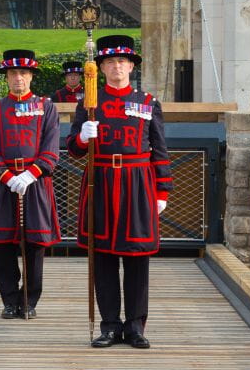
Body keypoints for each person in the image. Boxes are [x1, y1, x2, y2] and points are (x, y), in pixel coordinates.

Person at [66, 35, 172, 349]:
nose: (117, 67)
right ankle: (110, 325)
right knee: (103, 258)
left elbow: (160, 149)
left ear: (131, 66)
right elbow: (72, 149)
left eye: (123, 62)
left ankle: (136, 325)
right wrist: (84, 138)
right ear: (101, 67)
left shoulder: (147, 101)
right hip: (101, 181)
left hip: (138, 182)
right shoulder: (89, 101)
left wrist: (162, 190)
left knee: (137, 257)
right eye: (111, 62)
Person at [0, 49, 61, 319]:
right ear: (6, 78)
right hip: (4, 183)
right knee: (2, 245)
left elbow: (51, 147)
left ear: (31, 76)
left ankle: (29, 300)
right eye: (13, 73)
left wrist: (31, 173)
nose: (18, 79)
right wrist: (6, 175)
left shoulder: (46, 107)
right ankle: (9, 300)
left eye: (23, 73)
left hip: (35, 183)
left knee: (35, 245)